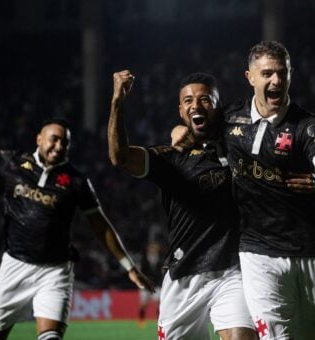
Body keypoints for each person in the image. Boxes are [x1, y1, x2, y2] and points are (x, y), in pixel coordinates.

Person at [173, 41, 315, 339]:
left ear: (290, 75)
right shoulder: (229, 118)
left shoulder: (309, 126)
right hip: (257, 252)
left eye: (282, 73)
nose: (276, 80)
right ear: (250, 77)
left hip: (312, 249)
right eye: (267, 74)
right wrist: (178, 130)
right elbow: (193, 129)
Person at [0, 118, 155, 340]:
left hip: (55, 272)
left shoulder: (76, 182)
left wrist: (129, 267)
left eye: (65, 143)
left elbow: (101, 226)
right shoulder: (12, 163)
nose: (59, 146)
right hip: (15, 266)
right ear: (39, 139)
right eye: (54, 139)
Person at [109, 70, 261, 340]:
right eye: (188, 101)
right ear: (180, 110)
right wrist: (118, 101)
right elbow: (119, 157)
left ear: (218, 105)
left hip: (232, 271)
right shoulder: (172, 159)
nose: (196, 105)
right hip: (183, 276)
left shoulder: (240, 145)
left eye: (205, 100)